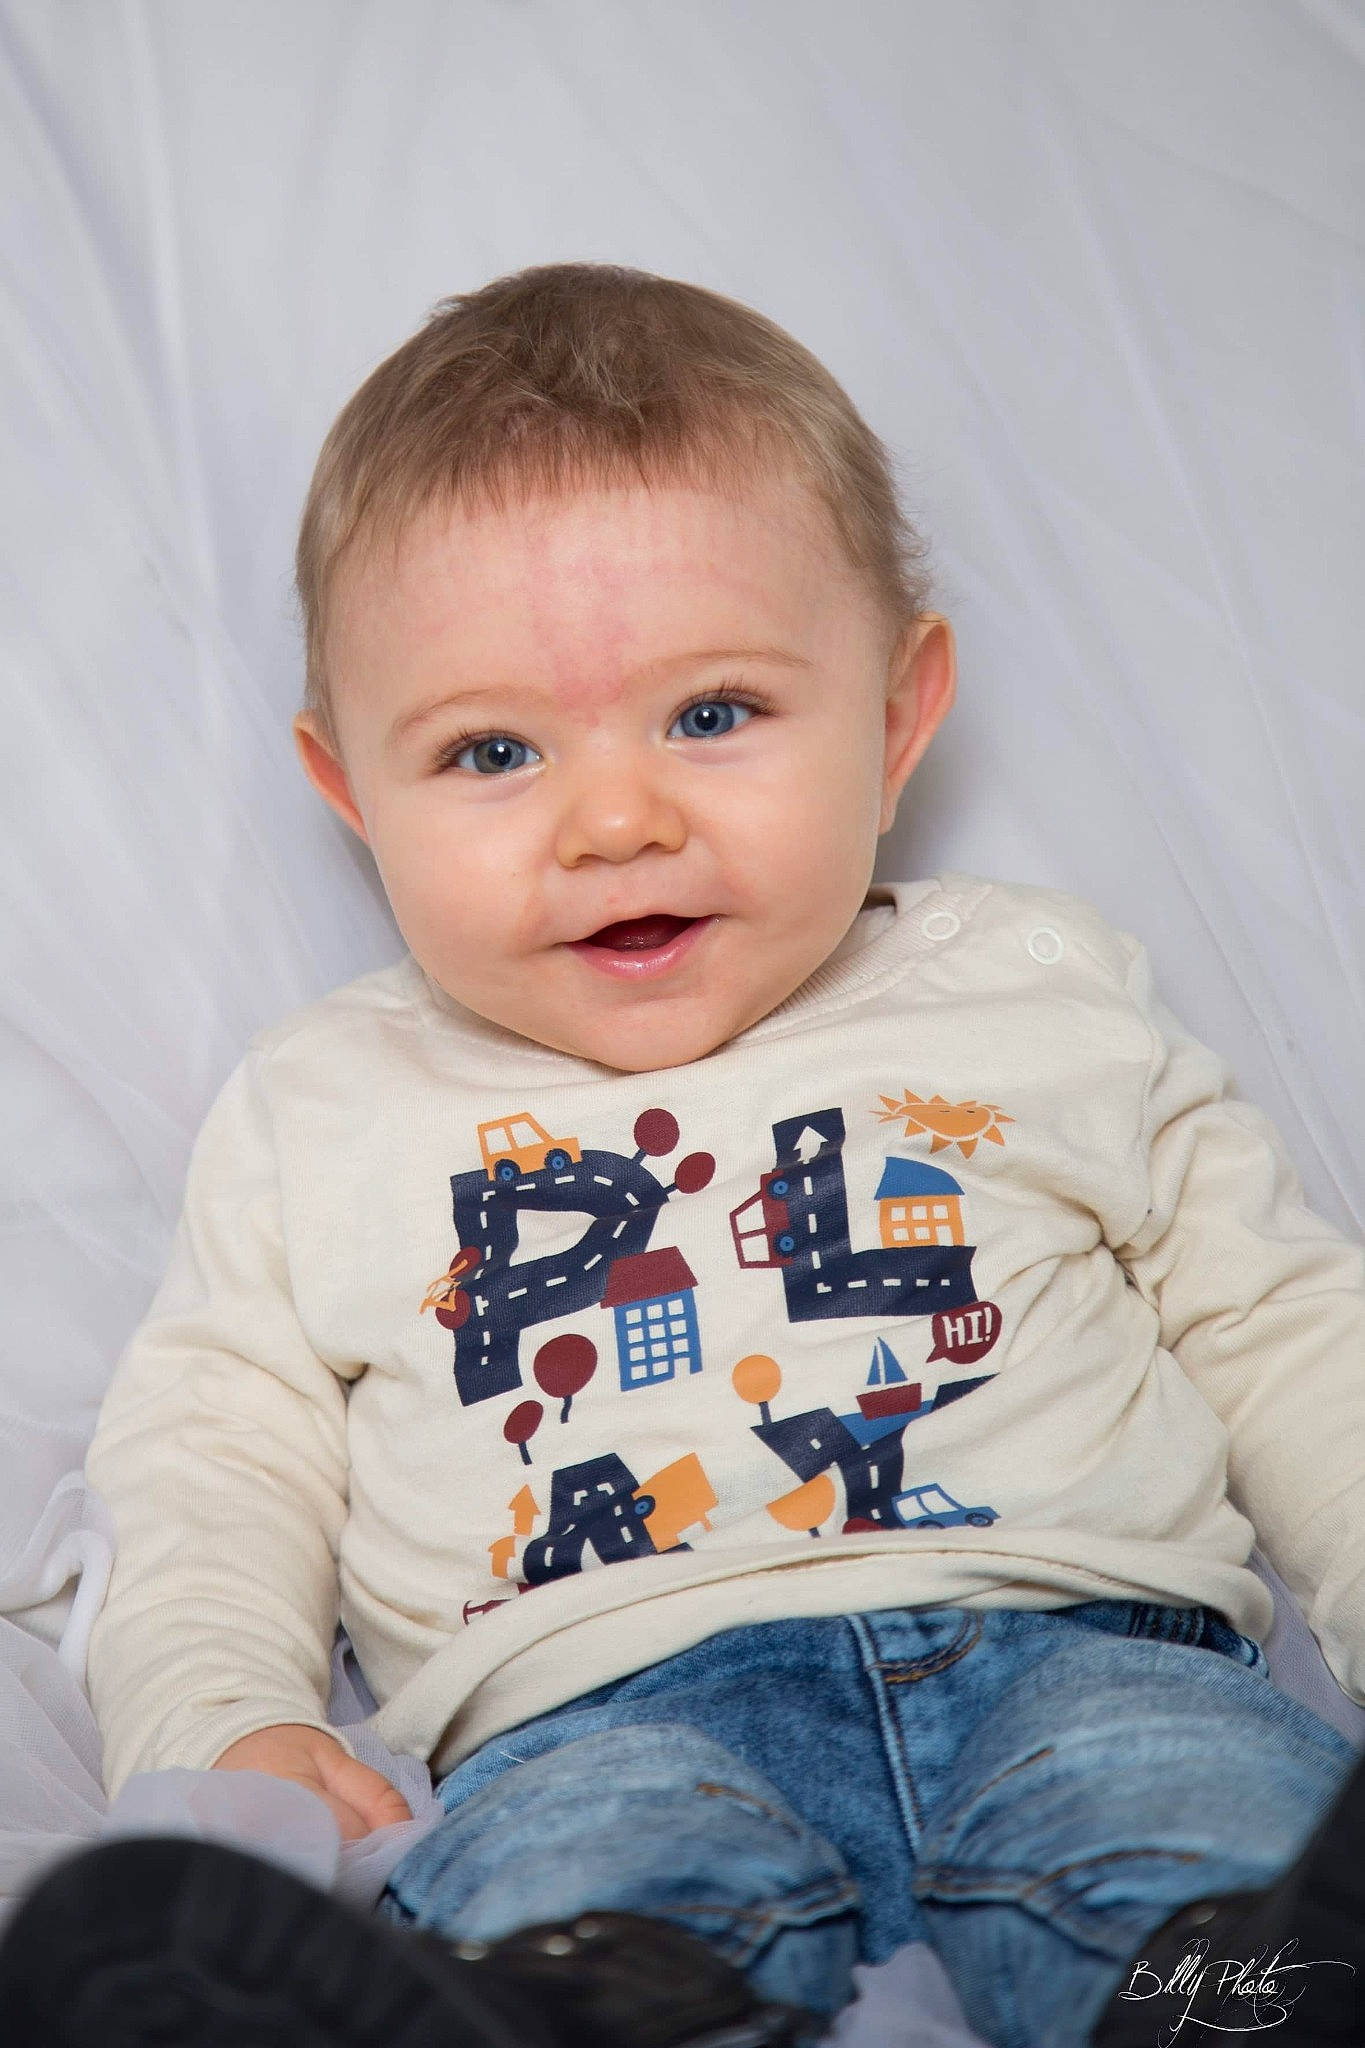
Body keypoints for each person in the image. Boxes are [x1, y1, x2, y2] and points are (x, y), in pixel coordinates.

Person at [2, 262, 1361, 2048]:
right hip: (593, 1711)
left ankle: (1260, 1994)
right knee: (574, 1903)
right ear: (351, 793)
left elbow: (1280, 1323)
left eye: (711, 715)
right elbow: (211, 1453)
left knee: (1193, 1850)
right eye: (491, 750)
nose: (617, 819)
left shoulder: (1033, 988)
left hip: (1089, 1647)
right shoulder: (324, 1101)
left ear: (893, 715)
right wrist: (226, 1731)